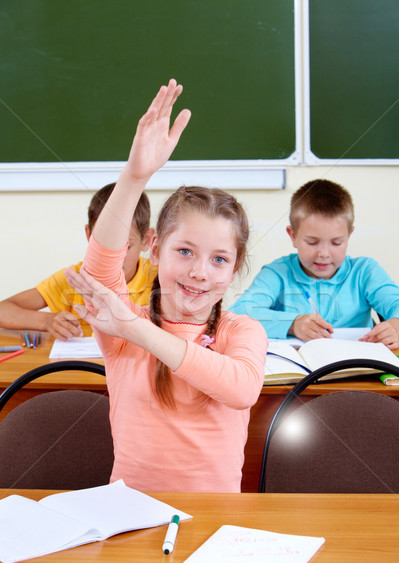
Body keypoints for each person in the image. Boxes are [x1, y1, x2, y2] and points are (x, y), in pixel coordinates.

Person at [65, 79, 267, 493]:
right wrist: (135, 175)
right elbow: (101, 266)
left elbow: (241, 388)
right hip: (130, 521)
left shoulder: (240, 332)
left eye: (219, 260)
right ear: (154, 248)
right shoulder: (123, 324)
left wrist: (136, 329)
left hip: (215, 523)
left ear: (234, 270)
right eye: (185, 251)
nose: (200, 273)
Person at [229, 179, 399, 348]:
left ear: (349, 234)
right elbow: (238, 312)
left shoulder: (365, 272)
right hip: (300, 371)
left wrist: (395, 326)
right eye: (312, 242)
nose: (324, 254)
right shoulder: (277, 273)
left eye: (336, 243)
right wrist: (292, 324)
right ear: (293, 236)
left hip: (359, 369)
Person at [0, 183, 157, 339]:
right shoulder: (74, 278)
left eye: (125, 246)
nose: (112, 259)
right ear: (89, 236)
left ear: (146, 240)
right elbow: (3, 310)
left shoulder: (160, 279)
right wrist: (47, 321)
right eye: (103, 245)